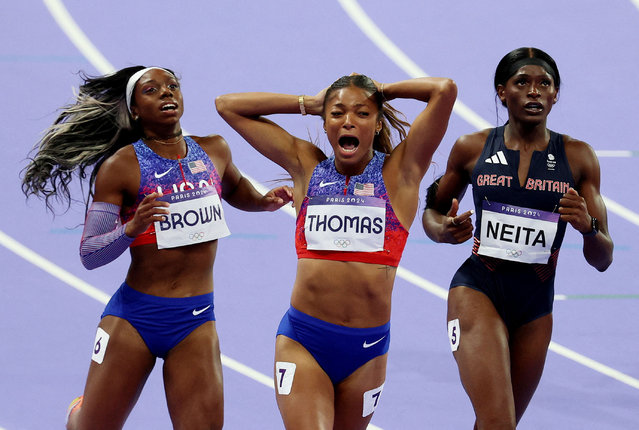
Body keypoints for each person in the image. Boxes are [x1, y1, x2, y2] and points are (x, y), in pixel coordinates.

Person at [22, 66, 292, 430]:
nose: (167, 93)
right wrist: (131, 228)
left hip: (195, 320)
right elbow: (90, 254)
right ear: (134, 110)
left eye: (173, 86)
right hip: (135, 318)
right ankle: (78, 415)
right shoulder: (121, 167)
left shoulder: (214, 149)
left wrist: (263, 201)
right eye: (152, 90)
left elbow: (235, 188)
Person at [215, 73, 457, 429]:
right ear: (325, 123)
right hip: (304, 341)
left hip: (367, 351)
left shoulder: (400, 173)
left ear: (376, 124)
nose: (348, 121)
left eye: (362, 113)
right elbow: (227, 106)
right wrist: (307, 103)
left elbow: (443, 90)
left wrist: (380, 91)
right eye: (337, 113)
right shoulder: (305, 164)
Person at [422, 47, 614, 429]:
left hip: (535, 309)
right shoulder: (471, 148)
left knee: (498, 423)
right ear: (502, 92)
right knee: (497, 421)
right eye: (522, 82)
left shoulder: (578, 158)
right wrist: (443, 231)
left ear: (556, 94)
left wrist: (587, 227)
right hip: (477, 292)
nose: (534, 91)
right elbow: (433, 211)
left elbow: (603, 258)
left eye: (545, 84)